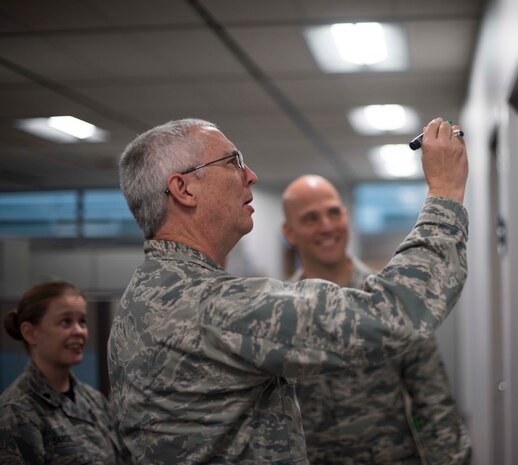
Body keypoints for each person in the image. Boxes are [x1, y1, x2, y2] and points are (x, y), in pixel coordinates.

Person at [108, 117, 469, 465]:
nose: (251, 175)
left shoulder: (142, 298)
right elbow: (396, 311)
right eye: (233, 162)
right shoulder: (210, 306)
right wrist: (445, 193)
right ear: (183, 189)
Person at [282, 174, 472, 464]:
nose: (327, 226)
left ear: (346, 216)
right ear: (289, 232)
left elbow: (433, 400)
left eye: (334, 212)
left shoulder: (388, 301)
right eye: (310, 218)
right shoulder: (280, 314)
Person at [0, 281, 131, 464]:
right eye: (65, 322)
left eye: (82, 321)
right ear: (30, 333)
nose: (79, 331)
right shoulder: (17, 411)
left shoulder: (94, 400)